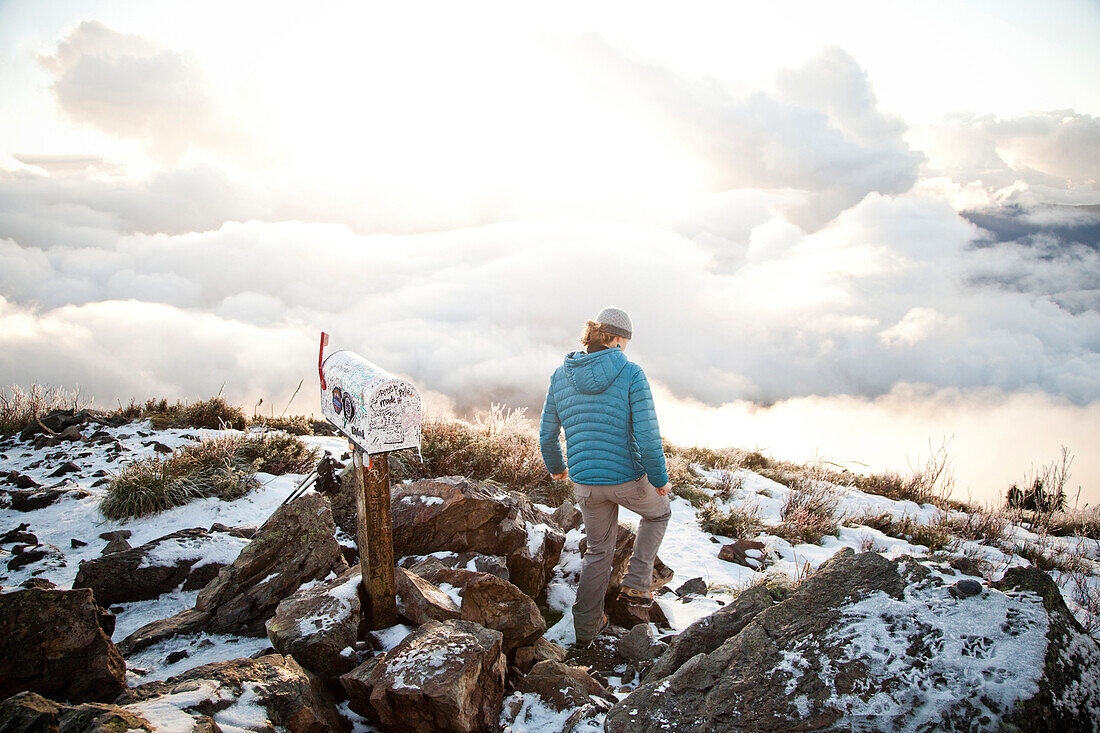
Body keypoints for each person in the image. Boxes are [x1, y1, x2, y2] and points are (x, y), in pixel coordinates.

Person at [539, 306, 672, 646]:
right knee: (659, 513)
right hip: (627, 477)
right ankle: (637, 584)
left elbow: (547, 433)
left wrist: (556, 467)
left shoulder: (561, 374)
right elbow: (647, 434)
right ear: (615, 339)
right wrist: (659, 479)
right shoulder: (631, 374)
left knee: (598, 551)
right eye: (624, 341)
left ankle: (585, 629)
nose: (625, 347)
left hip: (585, 481)